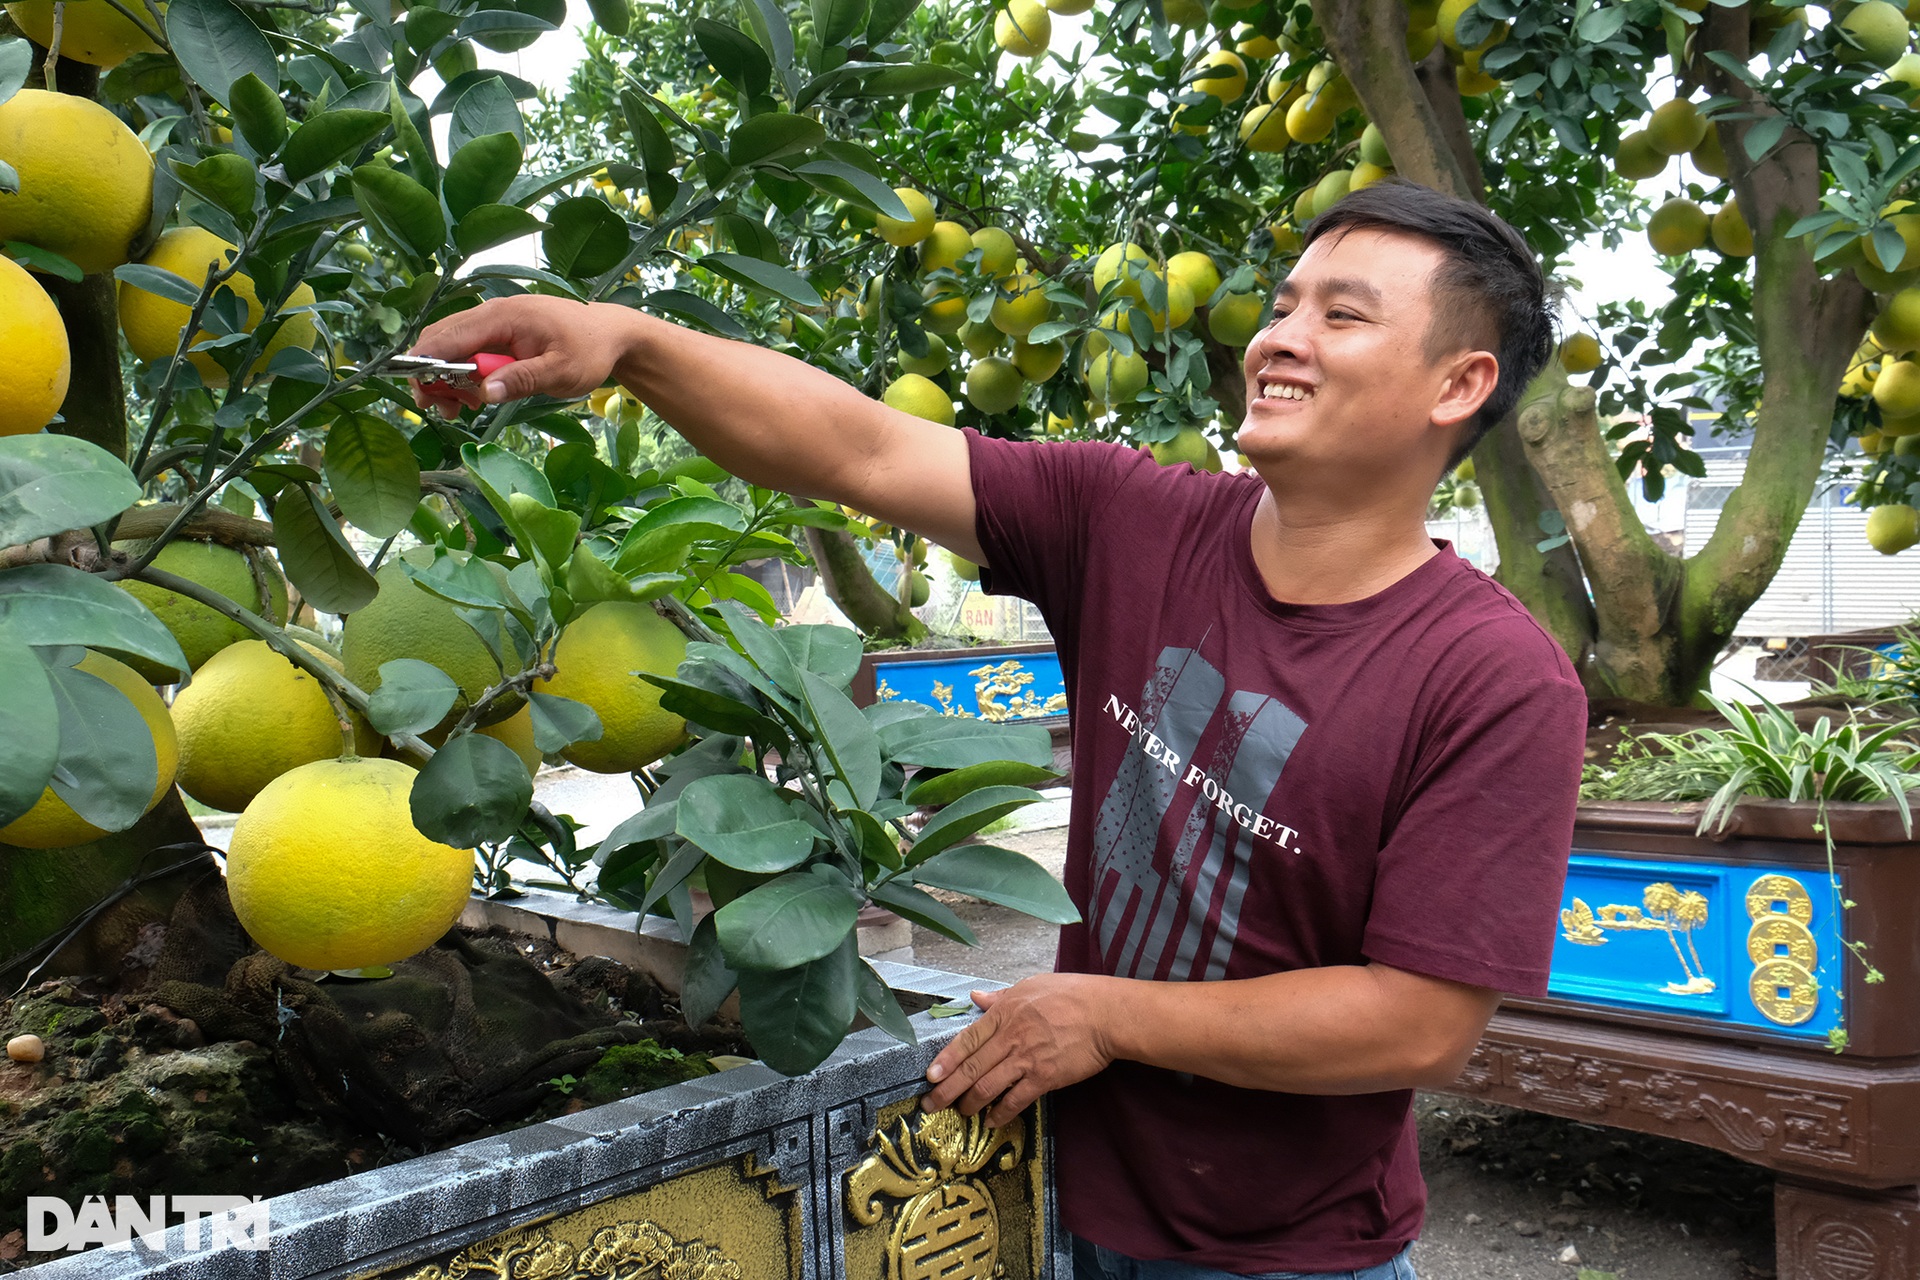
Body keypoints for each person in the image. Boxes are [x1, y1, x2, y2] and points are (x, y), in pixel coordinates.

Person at [411, 179, 1589, 1280]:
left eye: (1343, 315)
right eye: (1282, 305)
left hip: (1290, 1246)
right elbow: (858, 444)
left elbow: (1421, 1020)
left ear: (1457, 385)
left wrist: (1106, 1013)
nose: (1279, 336)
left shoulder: (1492, 679)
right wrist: (632, 342)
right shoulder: (1134, 519)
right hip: (1045, 1188)